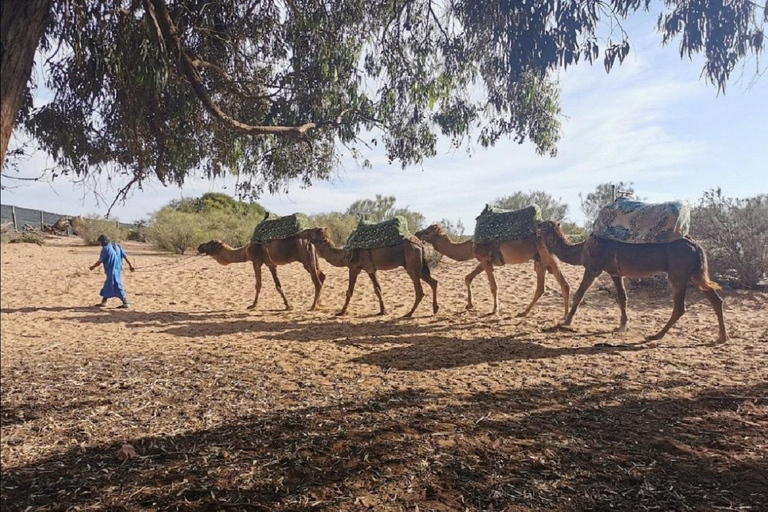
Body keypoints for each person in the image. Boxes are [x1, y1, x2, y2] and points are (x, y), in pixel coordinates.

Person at [89, 234, 135, 308]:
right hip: (118, 270)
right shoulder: (118, 246)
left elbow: (100, 261)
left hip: (112, 271)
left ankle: (125, 302)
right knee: (107, 285)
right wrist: (130, 265)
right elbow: (125, 257)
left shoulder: (105, 249)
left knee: (116, 285)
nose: (100, 244)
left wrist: (93, 267)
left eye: (101, 242)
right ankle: (104, 301)